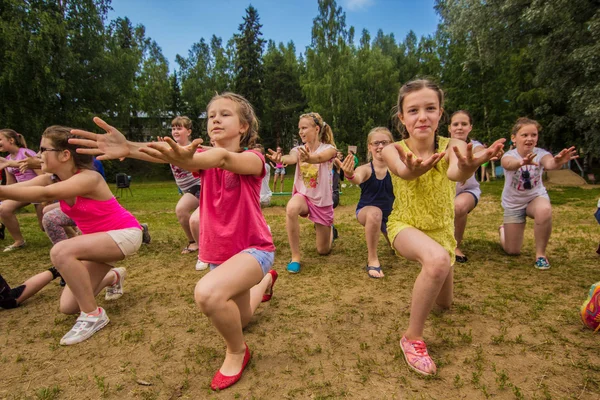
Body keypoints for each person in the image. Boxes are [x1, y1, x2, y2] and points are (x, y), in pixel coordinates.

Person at [70, 92, 278, 391]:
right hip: (222, 255)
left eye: (225, 114)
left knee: (208, 295)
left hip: (254, 249)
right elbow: (169, 153)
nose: (216, 119)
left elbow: (221, 158)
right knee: (240, 318)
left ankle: (237, 352)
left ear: (243, 126)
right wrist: (128, 147)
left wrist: (183, 154)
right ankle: (265, 284)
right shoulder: (200, 156)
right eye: (211, 116)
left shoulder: (252, 159)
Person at [381, 79, 504, 376]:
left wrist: (469, 166)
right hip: (404, 225)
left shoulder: (455, 146)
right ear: (402, 118)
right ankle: (412, 338)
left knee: (444, 305)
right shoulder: (392, 149)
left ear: (440, 114)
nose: (422, 116)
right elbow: (402, 171)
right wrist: (411, 169)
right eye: (413, 110)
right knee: (436, 261)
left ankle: (433, 279)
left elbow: (454, 171)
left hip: (441, 232)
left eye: (429, 108)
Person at [0, 125, 139, 345]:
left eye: (43, 149)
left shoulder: (89, 178)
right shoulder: (52, 178)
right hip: (97, 243)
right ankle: (114, 277)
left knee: (61, 250)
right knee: (69, 306)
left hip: (124, 234)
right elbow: (24, 187)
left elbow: (45, 194)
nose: (38, 155)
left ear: (65, 155)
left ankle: (93, 316)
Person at [499, 117, 578, 270]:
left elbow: (550, 163)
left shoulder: (541, 153)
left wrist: (559, 161)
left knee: (544, 209)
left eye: (533, 135)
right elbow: (508, 164)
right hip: (513, 203)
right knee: (512, 250)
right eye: (525, 135)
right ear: (514, 138)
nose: (530, 139)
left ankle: (540, 255)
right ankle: (503, 230)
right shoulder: (509, 155)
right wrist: (521, 163)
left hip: (535, 198)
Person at [267, 112, 338, 274]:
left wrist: (310, 158)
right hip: (304, 197)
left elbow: (320, 158)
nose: (300, 132)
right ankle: (295, 257)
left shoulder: (330, 149)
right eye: (299, 128)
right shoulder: (298, 149)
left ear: (317, 129)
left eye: (304, 128)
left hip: (322, 201)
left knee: (323, 250)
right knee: (291, 208)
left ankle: (331, 231)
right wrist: (281, 160)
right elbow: (291, 158)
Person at [336, 127, 395, 278]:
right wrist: (349, 174)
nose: (380, 146)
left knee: (399, 251)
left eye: (384, 142)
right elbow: (357, 178)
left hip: (393, 217)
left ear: (392, 144)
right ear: (369, 146)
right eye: (376, 143)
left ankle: (387, 231)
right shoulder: (365, 169)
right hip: (367, 212)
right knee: (376, 213)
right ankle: (372, 259)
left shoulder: (397, 169)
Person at [448, 110, 485, 263]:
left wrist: (486, 153)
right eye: (455, 124)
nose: (459, 127)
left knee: (459, 206)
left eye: (464, 124)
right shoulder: (440, 145)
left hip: (467, 191)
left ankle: (455, 246)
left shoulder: (474, 145)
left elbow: (480, 152)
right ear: (449, 128)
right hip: (442, 193)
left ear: (470, 127)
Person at [0, 129, 44, 251]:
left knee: (44, 226)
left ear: (11, 140)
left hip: (38, 191)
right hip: (23, 193)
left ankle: (75, 231)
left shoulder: (26, 153)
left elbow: (42, 175)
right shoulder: (7, 159)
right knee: (4, 208)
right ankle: (19, 241)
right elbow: (10, 184)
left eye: (0, 139)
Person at [168, 116, 201, 255]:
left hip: (198, 186)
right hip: (185, 189)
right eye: (173, 128)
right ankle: (198, 239)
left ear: (188, 131)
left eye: (179, 128)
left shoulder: (193, 148)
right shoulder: (170, 148)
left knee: (181, 210)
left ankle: (195, 243)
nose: (175, 131)